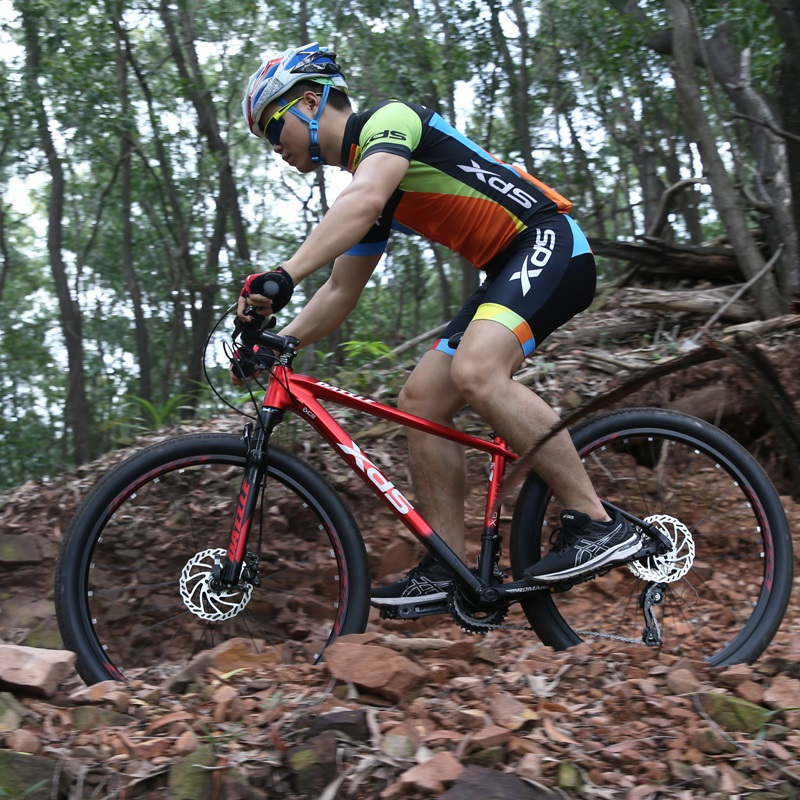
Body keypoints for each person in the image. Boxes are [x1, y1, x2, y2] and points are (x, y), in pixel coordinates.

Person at [237, 42, 641, 612]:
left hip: (546, 241)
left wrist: (282, 275)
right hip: (506, 267)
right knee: (422, 399)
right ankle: (450, 566)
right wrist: (281, 343)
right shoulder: (367, 182)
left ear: (309, 101)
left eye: (273, 127)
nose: (274, 146)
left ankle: (598, 522)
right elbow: (341, 289)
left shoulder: (388, 122)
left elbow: (365, 196)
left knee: (478, 368)